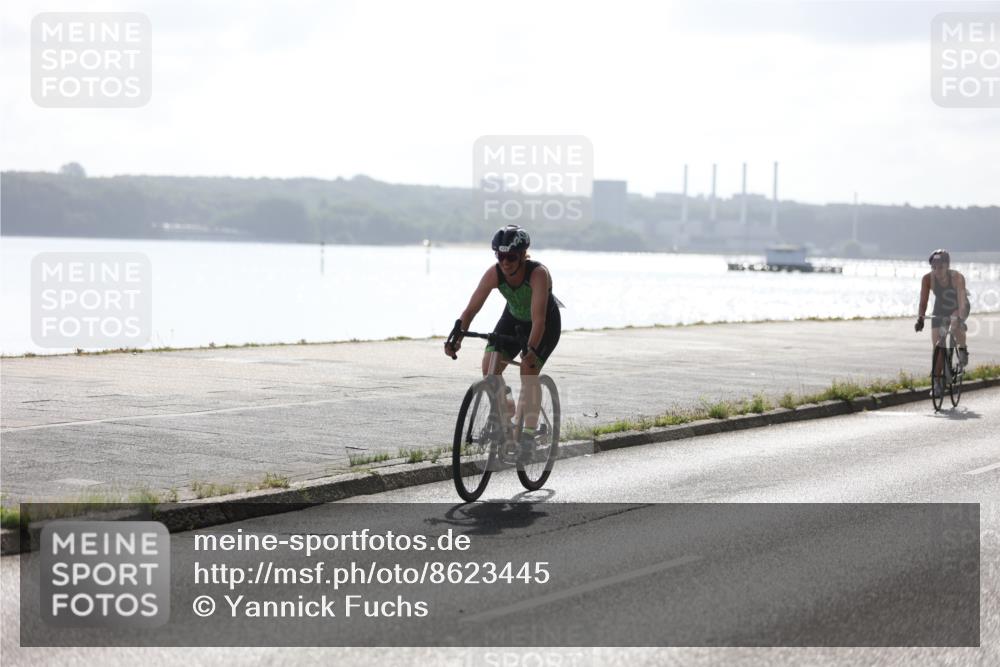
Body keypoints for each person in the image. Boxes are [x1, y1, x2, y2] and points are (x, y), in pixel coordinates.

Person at [444, 225, 562, 459]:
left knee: (528, 371)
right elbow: (470, 310)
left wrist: (530, 351)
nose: (505, 262)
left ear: (522, 255)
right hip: (513, 318)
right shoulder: (494, 273)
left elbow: (538, 320)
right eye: (500, 256)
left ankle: (528, 433)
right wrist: (455, 337)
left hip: (544, 323)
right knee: (489, 365)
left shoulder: (538, 274)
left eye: (511, 257)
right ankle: (506, 408)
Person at [915, 249, 969, 397]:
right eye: (933, 267)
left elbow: (962, 302)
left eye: (940, 267)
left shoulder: (957, 277)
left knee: (956, 324)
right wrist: (920, 318)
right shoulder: (927, 279)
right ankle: (938, 382)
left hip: (958, 304)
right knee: (938, 344)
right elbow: (923, 302)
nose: (937, 271)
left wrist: (959, 318)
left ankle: (962, 349)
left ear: (947, 266)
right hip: (940, 307)